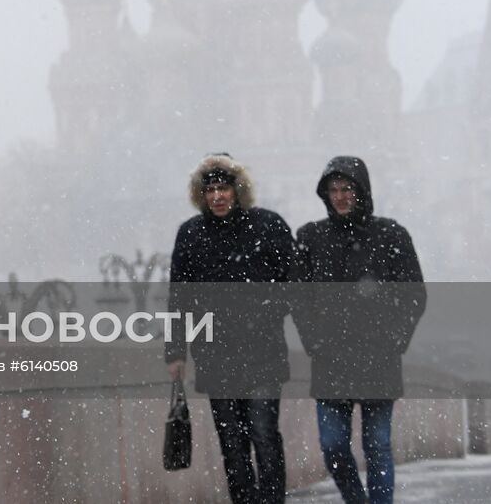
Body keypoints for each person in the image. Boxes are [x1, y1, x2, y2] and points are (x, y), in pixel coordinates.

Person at [293, 156, 426, 504]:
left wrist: (395, 339)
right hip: (331, 358)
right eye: (333, 190)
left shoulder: (391, 234)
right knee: (333, 445)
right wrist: (314, 341)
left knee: (377, 445)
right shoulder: (311, 237)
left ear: (361, 191)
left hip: (378, 357)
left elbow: (413, 294)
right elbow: (299, 296)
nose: (340, 197)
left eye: (347, 189)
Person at [165, 152, 295, 504]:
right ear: (201, 195)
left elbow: (295, 285)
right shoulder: (191, 235)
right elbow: (179, 297)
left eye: (224, 188)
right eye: (210, 190)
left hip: (262, 351)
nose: (218, 196)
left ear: (238, 191)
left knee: (264, 435)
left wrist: (267, 311)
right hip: (215, 355)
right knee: (233, 445)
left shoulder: (269, 226)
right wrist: (175, 351)